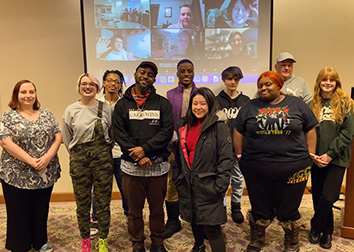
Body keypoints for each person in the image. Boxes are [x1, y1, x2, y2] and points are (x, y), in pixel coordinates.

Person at [234, 71, 318, 252]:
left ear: (279, 85)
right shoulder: (250, 106)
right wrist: (240, 156)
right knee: (259, 204)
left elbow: (310, 128)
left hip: (294, 166)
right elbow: (238, 131)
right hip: (256, 167)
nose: (263, 88)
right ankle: (257, 238)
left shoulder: (297, 104)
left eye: (268, 84)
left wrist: (310, 155)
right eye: (260, 85)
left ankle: (291, 241)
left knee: (289, 205)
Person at [113, 61, 174, 252]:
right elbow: (119, 133)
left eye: (150, 74)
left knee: (157, 210)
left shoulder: (162, 103)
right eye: (142, 72)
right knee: (134, 212)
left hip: (157, 167)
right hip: (131, 169)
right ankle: (137, 244)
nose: (145, 76)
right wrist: (138, 156)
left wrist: (146, 150)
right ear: (135, 74)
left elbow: (166, 132)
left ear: (154, 79)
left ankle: (158, 243)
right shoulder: (122, 104)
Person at [0, 80, 61, 252]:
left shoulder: (47, 113)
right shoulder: (8, 116)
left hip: (45, 171)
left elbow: (58, 136)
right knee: (19, 212)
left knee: (41, 209)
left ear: (36, 94)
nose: (28, 95)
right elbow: (5, 141)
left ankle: (40, 241)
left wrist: (48, 157)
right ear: (16, 95)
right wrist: (31, 161)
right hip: (16, 173)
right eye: (23, 92)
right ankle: (19, 245)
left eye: (31, 92)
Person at [174, 87, 232, 252]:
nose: (198, 107)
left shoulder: (219, 127)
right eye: (195, 103)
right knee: (194, 220)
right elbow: (179, 157)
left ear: (210, 105)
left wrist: (219, 186)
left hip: (209, 186)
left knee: (212, 230)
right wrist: (179, 180)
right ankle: (198, 246)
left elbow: (226, 159)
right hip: (188, 184)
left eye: (203, 104)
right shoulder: (185, 126)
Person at [62, 73, 113, 252]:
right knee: (82, 203)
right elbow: (67, 139)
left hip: (103, 162)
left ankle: (103, 240)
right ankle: (85, 240)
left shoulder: (106, 108)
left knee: (103, 203)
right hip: (79, 162)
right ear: (79, 87)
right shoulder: (70, 110)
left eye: (92, 84)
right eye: (84, 84)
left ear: (98, 88)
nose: (88, 87)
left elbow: (112, 136)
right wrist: (78, 156)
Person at [308, 67, 354, 250]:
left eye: (331, 80)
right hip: (316, 158)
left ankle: (316, 225)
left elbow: (348, 132)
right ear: (319, 82)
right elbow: (308, 131)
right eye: (324, 80)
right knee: (318, 196)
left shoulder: (346, 103)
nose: (328, 83)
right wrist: (313, 155)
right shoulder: (313, 104)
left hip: (336, 158)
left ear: (337, 83)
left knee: (329, 196)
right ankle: (326, 232)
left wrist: (329, 154)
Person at [90, 70, 129, 237]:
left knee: (125, 188)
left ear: (120, 85)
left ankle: (129, 216)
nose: (113, 84)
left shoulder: (125, 103)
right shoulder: (95, 103)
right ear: (103, 83)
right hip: (101, 154)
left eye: (117, 81)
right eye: (109, 80)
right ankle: (96, 219)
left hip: (121, 154)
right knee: (99, 189)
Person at [164, 59, 198, 239]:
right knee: (172, 183)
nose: (186, 74)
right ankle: (173, 221)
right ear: (177, 74)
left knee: (197, 183)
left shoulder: (201, 94)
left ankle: (197, 221)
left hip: (196, 147)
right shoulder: (169, 95)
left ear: (194, 73)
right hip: (174, 147)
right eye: (182, 71)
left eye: (189, 71)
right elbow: (167, 121)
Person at [216, 66, 250, 224]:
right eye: (229, 79)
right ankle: (221, 207)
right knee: (222, 179)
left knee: (237, 179)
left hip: (240, 148)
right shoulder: (216, 100)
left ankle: (235, 206)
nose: (232, 82)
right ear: (224, 80)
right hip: (222, 148)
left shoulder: (246, 101)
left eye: (236, 79)